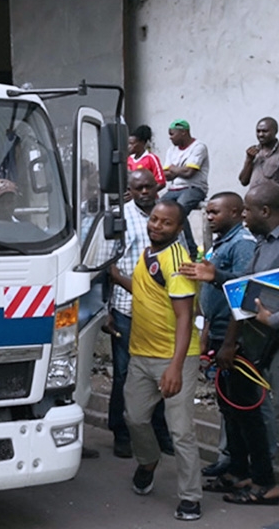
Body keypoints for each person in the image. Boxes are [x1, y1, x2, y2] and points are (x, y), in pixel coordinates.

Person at [124, 199, 202, 521]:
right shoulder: (147, 254)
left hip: (175, 357)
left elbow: (185, 318)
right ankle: (148, 461)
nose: (156, 225)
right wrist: (114, 276)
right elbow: (146, 293)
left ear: (179, 229)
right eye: (154, 219)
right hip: (140, 354)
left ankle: (190, 497)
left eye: (165, 223)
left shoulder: (178, 261)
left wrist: (175, 366)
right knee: (135, 418)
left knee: (181, 431)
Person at [177, 193, 256, 483]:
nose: (209, 218)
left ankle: (242, 470)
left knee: (239, 406)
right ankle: (231, 465)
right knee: (227, 406)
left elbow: (243, 291)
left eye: (215, 213)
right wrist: (206, 329)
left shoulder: (242, 244)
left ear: (236, 212)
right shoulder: (220, 243)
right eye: (207, 213)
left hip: (232, 334)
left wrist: (228, 343)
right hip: (216, 329)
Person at [101, 169, 173, 459]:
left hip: (163, 313)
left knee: (161, 374)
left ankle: (159, 432)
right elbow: (106, 266)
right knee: (124, 373)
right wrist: (105, 310)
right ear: (129, 189)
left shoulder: (170, 214)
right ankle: (121, 432)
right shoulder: (118, 217)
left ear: (157, 186)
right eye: (138, 187)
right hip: (126, 310)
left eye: (149, 186)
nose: (144, 192)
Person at [216, 181, 279, 505]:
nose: (244, 218)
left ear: (265, 211)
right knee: (245, 410)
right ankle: (251, 474)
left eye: (248, 211)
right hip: (255, 343)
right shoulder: (261, 242)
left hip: (271, 340)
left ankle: (270, 483)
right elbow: (245, 293)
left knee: (269, 413)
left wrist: (273, 320)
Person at [162, 119, 209, 257]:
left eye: (172, 134)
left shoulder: (199, 147)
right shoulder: (171, 150)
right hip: (174, 189)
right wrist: (179, 170)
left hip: (194, 188)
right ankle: (168, 246)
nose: (170, 138)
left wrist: (174, 169)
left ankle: (191, 251)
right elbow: (167, 175)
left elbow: (189, 173)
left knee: (179, 209)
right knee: (159, 207)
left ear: (183, 132)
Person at [238, 116, 279, 188]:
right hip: (252, 198)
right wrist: (249, 160)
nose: (261, 134)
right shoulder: (254, 152)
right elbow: (243, 181)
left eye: (265, 131)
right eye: (258, 131)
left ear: (275, 131)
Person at [128, 125, 166, 190]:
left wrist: (146, 194)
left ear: (142, 143)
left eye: (132, 144)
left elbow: (161, 182)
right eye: (128, 143)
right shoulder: (129, 159)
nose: (129, 146)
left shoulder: (151, 158)